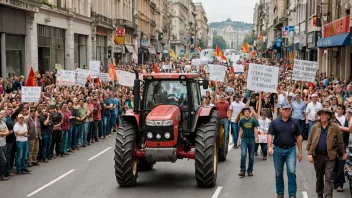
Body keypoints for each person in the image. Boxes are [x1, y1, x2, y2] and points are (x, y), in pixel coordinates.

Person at [306, 108, 347, 198]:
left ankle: (328, 196)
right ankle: (320, 194)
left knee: (329, 177)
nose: (323, 116)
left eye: (325, 114)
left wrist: (343, 153)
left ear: (329, 116)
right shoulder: (314, 127)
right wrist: (309, 154)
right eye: (321, 114)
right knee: (319, 177)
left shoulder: (335, 127)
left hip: (330, 156)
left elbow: (340, 142)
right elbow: (309, 142)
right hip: (318, 156)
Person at [268, 102, 303, 198]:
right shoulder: (274, 122)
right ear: (280, 110)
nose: (287, 111)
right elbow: (270, 134)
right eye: (285, 109)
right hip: (278, 150)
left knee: (291, 172)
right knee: (278, 173)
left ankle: (292, 195)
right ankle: (280, 193)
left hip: (291, 150)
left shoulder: (295, 122)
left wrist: (300, 152)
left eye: (289, 109)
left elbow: (299, 136)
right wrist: (269, 146)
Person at [238, 107, 259, 177]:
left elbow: (255, 129)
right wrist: (239, 139)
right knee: (243, 154)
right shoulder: (241, 121)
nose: (247, 112)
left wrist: (256, 138)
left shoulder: (253, 120)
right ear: (244, 113)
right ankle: (242, 170)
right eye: (245, 111)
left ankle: (250, 170)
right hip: (244, 140)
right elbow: (240, 130)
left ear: (250, 113)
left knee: (251, 156)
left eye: (248, 111)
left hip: (251, 140)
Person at [0, 111, 9, 180]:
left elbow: (7, 132)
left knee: (3, 160)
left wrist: (3, 133)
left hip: (4, 144)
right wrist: (3, 133)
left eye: (1, 115)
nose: (1, 116)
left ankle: (2, 174)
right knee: (4, 160)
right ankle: (1, 174)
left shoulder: (3, 123)